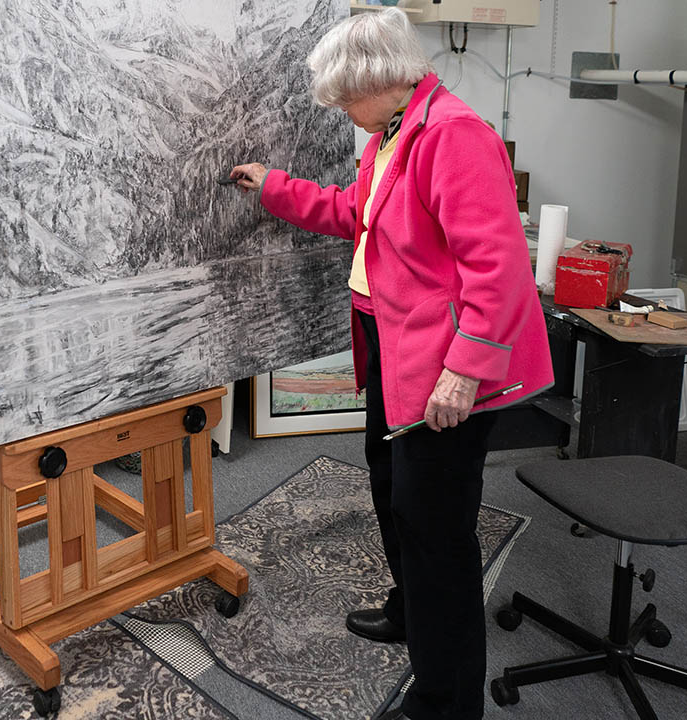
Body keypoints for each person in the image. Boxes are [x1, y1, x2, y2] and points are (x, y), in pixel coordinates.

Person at [231, 9, 553, 720]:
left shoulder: (454, 136)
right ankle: (412, 616)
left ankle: (446, 699)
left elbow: (498, 270)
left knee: (437, 533)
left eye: (347, 97)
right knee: (393, 496)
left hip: (445, 368)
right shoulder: (392, 133)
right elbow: (358, 214)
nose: (343, 112)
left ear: (379, 79)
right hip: (394, 349)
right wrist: (273, 186)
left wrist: (464, 371)